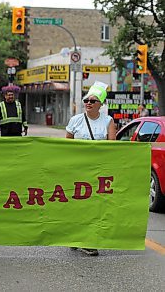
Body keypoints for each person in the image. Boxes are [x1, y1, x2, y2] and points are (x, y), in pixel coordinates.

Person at [65, 81, 116, 256]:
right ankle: (76, 236)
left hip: (97, 172)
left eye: (93, 101)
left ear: (100, 104)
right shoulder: (75, 120)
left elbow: (112, 148)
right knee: (78, 204)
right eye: (86, 99)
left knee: (94, 205)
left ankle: (88, 239)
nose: (88, 103)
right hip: (77, 170)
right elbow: (65, 147)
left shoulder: (108, 121)